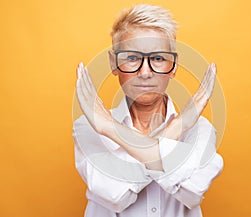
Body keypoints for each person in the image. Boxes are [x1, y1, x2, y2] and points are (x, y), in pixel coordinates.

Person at [73, 4, 223, 217]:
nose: (145, 72)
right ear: (114, 63)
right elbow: (116, 195)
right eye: (132, 58)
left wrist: (112, 130)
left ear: (174, 64)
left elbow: (191, 191)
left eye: (158, 58)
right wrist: (176, 129)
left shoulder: (200, 130)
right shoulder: (88, 127)